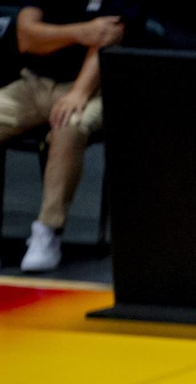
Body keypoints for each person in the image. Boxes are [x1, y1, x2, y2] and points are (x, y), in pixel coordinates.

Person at [0, 2, 128, 272]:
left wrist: (79, 92)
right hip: (34, 85)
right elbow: (26, 37)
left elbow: (107, 39)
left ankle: (48, 231)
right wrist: (81, 31)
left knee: (69, 125)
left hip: (93, 89)